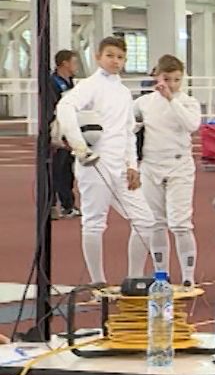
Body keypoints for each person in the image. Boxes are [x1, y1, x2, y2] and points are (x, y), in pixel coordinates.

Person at [55, 36, 158, 287]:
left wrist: (133, 165)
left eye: (120, 57)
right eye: (110, 55)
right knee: (94, 222)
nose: (115, 61)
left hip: (120, 167)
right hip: (94, 164)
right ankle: (97, 281)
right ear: (99, 57)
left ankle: (134, 279)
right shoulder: (89, 86)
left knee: (145, 220)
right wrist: (79, 146)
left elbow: (128, 132)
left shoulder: (124, 92)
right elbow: (65, 107)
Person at [128, 54, 202, 288]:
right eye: (167, 78)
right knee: (155, 222)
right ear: (157, 76)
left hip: (179, 166)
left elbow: (192, 125)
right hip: (151, 165)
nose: (171, 84)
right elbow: (128, 125)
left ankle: (188, 277)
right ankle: (162, 274)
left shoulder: (188, 102)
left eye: (176, 80)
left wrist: (171, 99)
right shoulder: (144, 103)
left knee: (180, 223)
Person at [48, 49, 81, 219]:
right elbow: (51, 108)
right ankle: (51, 206)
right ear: (65, 63)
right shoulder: (52, 82)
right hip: (57, 132)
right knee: (55, 169)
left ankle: (68, 205)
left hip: (70, 130)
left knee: (67, 169)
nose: (76, 66)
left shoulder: (71, 83)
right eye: (74, 62)